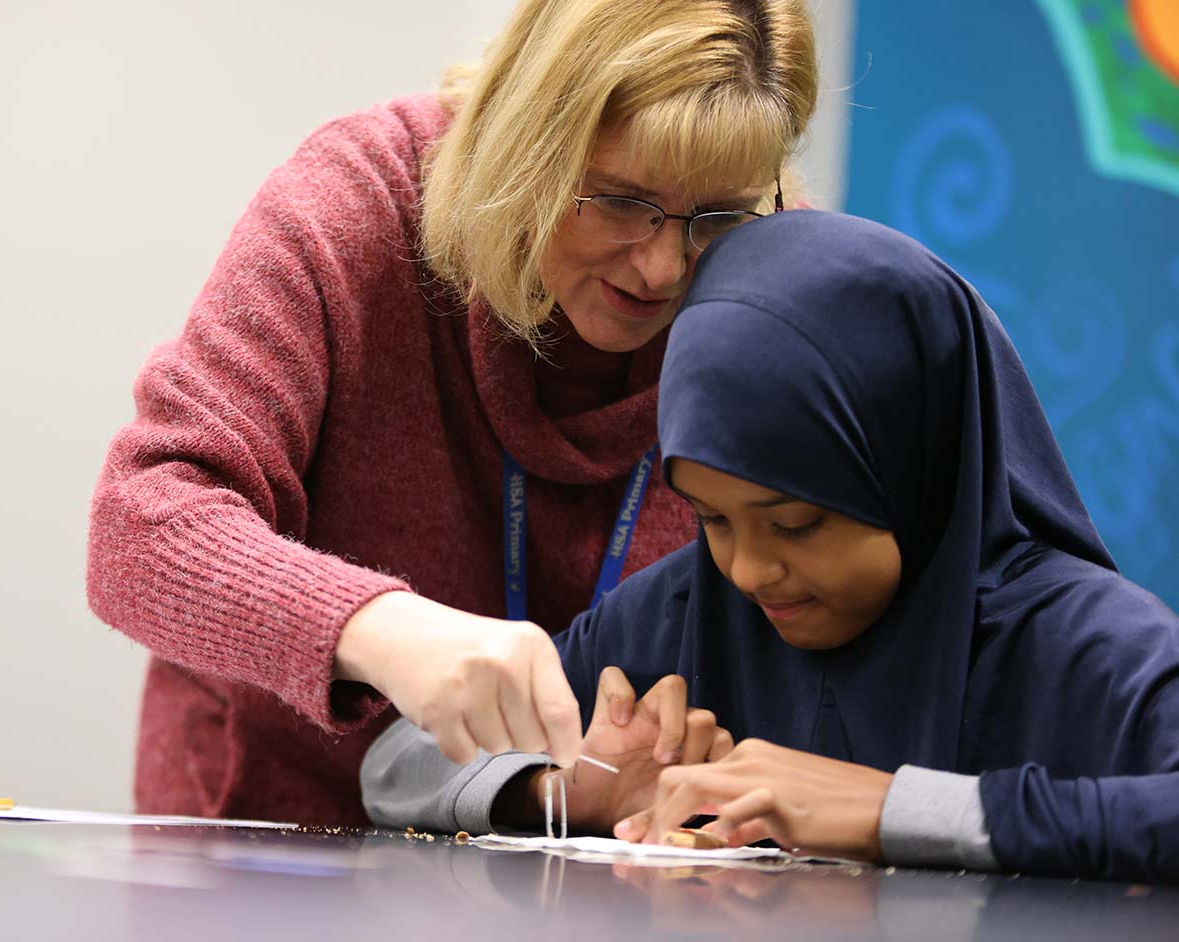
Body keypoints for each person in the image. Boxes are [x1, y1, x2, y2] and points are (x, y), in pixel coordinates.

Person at [85, 0, 819, 826]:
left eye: (715, 217)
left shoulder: (784, 279)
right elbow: (139, 526)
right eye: (618, 200)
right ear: (529, 138)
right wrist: (385, 631)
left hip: (583, 848)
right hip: (278, 830)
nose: (660, 267)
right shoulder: (361, 203)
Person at [362, 211, 1179, 883]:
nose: (749, 570)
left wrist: (887, 810)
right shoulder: (680, 617)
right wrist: (572, 790)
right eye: (712, 520)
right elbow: (398, 766)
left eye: (795, 524)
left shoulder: (1082, 646)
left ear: (912, 472)